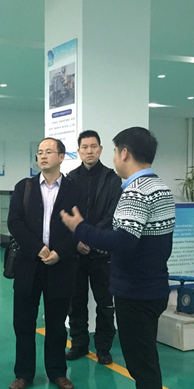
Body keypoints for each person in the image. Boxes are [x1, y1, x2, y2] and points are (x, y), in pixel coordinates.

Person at [61, 127, 175, 389]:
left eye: (112, 151)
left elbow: (123, 241)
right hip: (152, 286)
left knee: (143, 366)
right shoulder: (159, 186)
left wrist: (80, 228)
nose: (112, 157)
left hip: (137, 292)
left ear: (124, 153)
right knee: (144, 364)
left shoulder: (136, 192)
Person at [7, 137, 79, 389]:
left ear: (61, 157)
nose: (43, 156)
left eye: (49, 151)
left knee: (57, 324)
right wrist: (37, 247)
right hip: (29, 264)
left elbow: (80, 227)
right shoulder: (24, 187)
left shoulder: (73, 190)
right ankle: (23, 374)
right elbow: (14, 222)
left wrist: (60, 252)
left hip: (60, 266)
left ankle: (58, 372)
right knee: (23, 322)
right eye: (40, 152)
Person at [65, 130, 122, 365]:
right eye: (85, 147)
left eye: (94, 146)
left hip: (102, 253)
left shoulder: (112, 179)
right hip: (76, 253)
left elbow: (112, 214)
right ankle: (79, 343)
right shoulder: (69, 179)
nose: (89, 151)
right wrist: (77, 239)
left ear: (100, 149)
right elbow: (65, 213)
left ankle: (103, 347)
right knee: (76, 302)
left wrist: (91, 237)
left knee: (105, 304)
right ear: (78, 151)